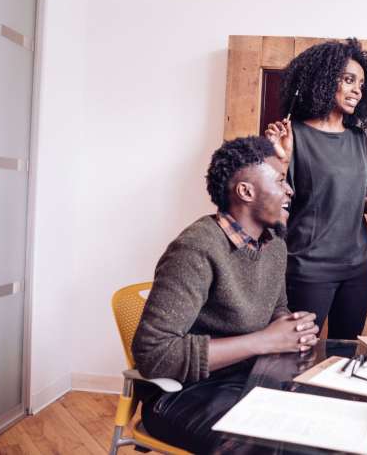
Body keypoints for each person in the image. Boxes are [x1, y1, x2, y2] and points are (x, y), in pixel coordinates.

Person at [131, 136, 320, 453]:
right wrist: (264, 341)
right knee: (288, 446)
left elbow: (276, 307)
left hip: (249, 377)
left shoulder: (274, 245)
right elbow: (154, 355)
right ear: (246, 191)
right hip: (182, 394)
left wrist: (290, 327)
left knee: (340, 422)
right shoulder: (195, 248)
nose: (289, 191)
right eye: (279, 181)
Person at [265, 38, 367, 339]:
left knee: (345, 353)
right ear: (323, 79)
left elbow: (352, 200)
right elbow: (271, 207)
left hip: (358, 268)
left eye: (360, 82)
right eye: (348, 80)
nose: (357, 89)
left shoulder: (358, 137)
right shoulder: (292, 136)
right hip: (308, 270)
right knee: (298, 354)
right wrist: (279, 161)